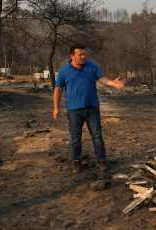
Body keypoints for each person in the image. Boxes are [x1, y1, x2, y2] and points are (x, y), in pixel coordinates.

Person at [53, 44, 125, 173]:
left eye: (84, 54)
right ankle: (77, 162)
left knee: (97, 136)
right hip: (74, 110)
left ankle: (102, 161)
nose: (83, 57)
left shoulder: (92, 66)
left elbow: (101, 78)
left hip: (92, 108)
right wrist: (56, 108)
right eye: (80, 54)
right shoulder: (64, 71)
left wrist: (111, 83)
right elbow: (58, 90)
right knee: (75, 137)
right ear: (72, 56)